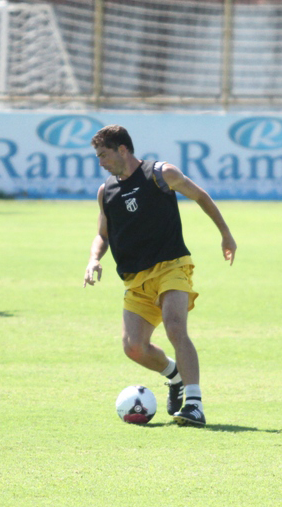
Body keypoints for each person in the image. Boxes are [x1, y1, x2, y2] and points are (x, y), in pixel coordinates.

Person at [83, 125, 236, 427]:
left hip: (172, 265)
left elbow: (201, 196)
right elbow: (102, 234)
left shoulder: (161, 173)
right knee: (133, 347)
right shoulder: (106, 191)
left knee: (175, 326)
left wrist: (226, 234)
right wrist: (93, 259)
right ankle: (175, 376)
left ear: (122, 150)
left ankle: (194, 404)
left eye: (103, 155)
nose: (100, 162)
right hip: (135, 279)